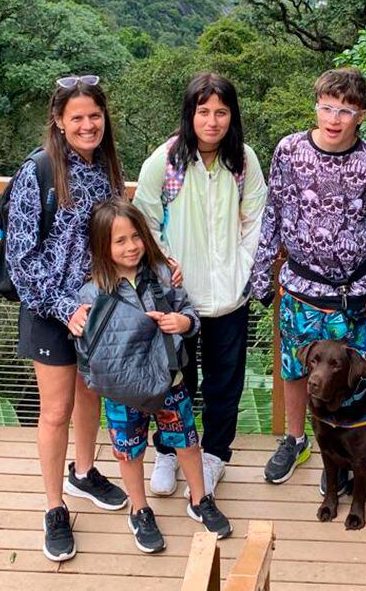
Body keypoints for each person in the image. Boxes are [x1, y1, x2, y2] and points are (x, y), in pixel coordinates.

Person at [6, 75, 128, 563]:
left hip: (95, 307)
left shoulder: (106, 170)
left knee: (89, 394)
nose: (87, 124)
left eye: (94, 116)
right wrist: (64, 308)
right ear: (58, 122)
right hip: (50, 311)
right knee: (55, 411)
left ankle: (84, 471)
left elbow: (118, 235)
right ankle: (55, 507)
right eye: (76, 117)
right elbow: (20, 260)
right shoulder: (36, 173)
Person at [249, 68, 366, 492]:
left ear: (361, 114)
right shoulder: (289, 151)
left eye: (345, 110)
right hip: (301, 286)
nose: (334, 118)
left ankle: (348, 453)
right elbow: (274, 213)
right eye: (327, 107)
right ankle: (295, 439)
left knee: (353, 374)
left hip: (355, 292)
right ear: (317, 105)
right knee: (296, 368)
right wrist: (261, 276)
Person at [133, 73, 267, 498]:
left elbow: (256, 219)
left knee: (224, 382)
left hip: (229, 296)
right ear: (190, 113)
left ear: (233, 116)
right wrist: (163, 262)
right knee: (175, 380)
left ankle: (214, 456)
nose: (212, 121)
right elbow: (144, 220)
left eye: (221, 112)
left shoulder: (242, 161)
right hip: (178, 299)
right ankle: (169, 453)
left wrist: (241, 267)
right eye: (203, 111)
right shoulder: (166, 161)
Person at [80, 199, 233, 553]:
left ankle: (200, 499)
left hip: (170, 381)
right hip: (121, 392)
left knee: (187, 442)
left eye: (136, 237)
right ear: (103, 245)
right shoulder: (93, 291)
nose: (131, 246)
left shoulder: (163, 276)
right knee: (128, 452)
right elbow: (86, 347)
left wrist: (183, 323)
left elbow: (189, 313)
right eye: (120, 241)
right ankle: (140, 509)